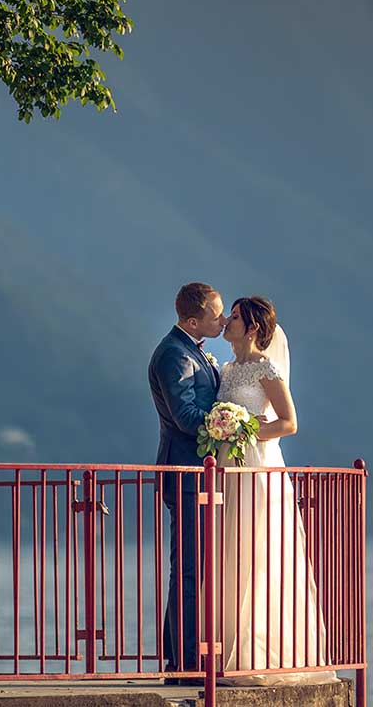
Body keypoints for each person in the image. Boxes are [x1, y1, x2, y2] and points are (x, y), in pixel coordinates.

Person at [215, 295, 333, 682]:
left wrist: (244, 431)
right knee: (230, 552)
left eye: (234, 317)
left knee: (256, 553)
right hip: (230, 468)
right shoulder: (228, 369)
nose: (227, 322)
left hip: (258, 468)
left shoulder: (266, 369)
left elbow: (288, 423)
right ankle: (227, 644)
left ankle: (259, 651)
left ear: (251, 328)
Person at [147, 282, 225, 683]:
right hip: (185, 473)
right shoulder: (174, 355)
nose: (224, 319)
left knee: (192, 569)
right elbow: (185, 417)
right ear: (194, 319)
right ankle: (187, 664)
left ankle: (179, 659)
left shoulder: (190, 350)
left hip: (199, 475)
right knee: (189, 570)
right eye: (217, 314)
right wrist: (230, 424)